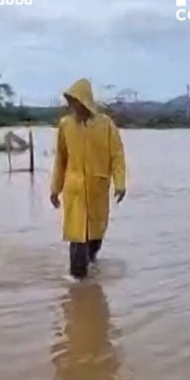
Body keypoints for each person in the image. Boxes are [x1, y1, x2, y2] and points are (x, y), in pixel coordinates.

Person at [50, 78, 127, 280]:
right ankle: (76, 284)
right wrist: (55, 189)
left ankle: (90, 267)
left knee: (95, 236)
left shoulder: (106, 125)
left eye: (76, 101)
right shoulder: (65, 125)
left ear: (84, 102)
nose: (72, 106)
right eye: (70, 102)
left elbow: (117, 155)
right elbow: (61, 159)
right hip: (74, 189)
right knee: (77, 237)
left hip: (97, 187)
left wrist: (120, 183)